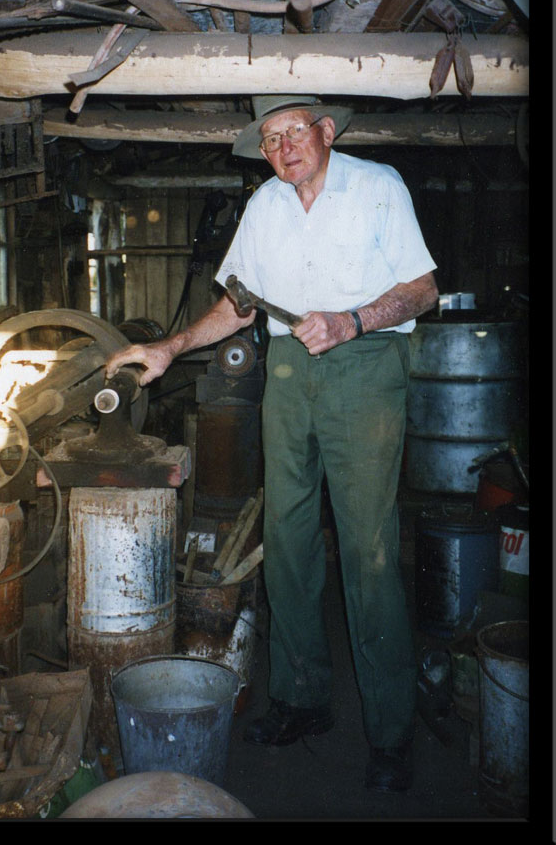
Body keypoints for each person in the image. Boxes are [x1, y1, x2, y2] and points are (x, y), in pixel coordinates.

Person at [105, 95, 439, 793]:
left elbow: (420, 291)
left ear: (324, 132)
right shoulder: (265, 204)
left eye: (293, 131)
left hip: (364, 365)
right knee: (285, 538)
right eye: (268, 138)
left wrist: (353, 321)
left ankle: (390, 732)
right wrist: (171, 348)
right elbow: (239, 304)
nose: (282, 146)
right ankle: (300, 699)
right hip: (287, 369)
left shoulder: (377, 186)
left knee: (367, 548)